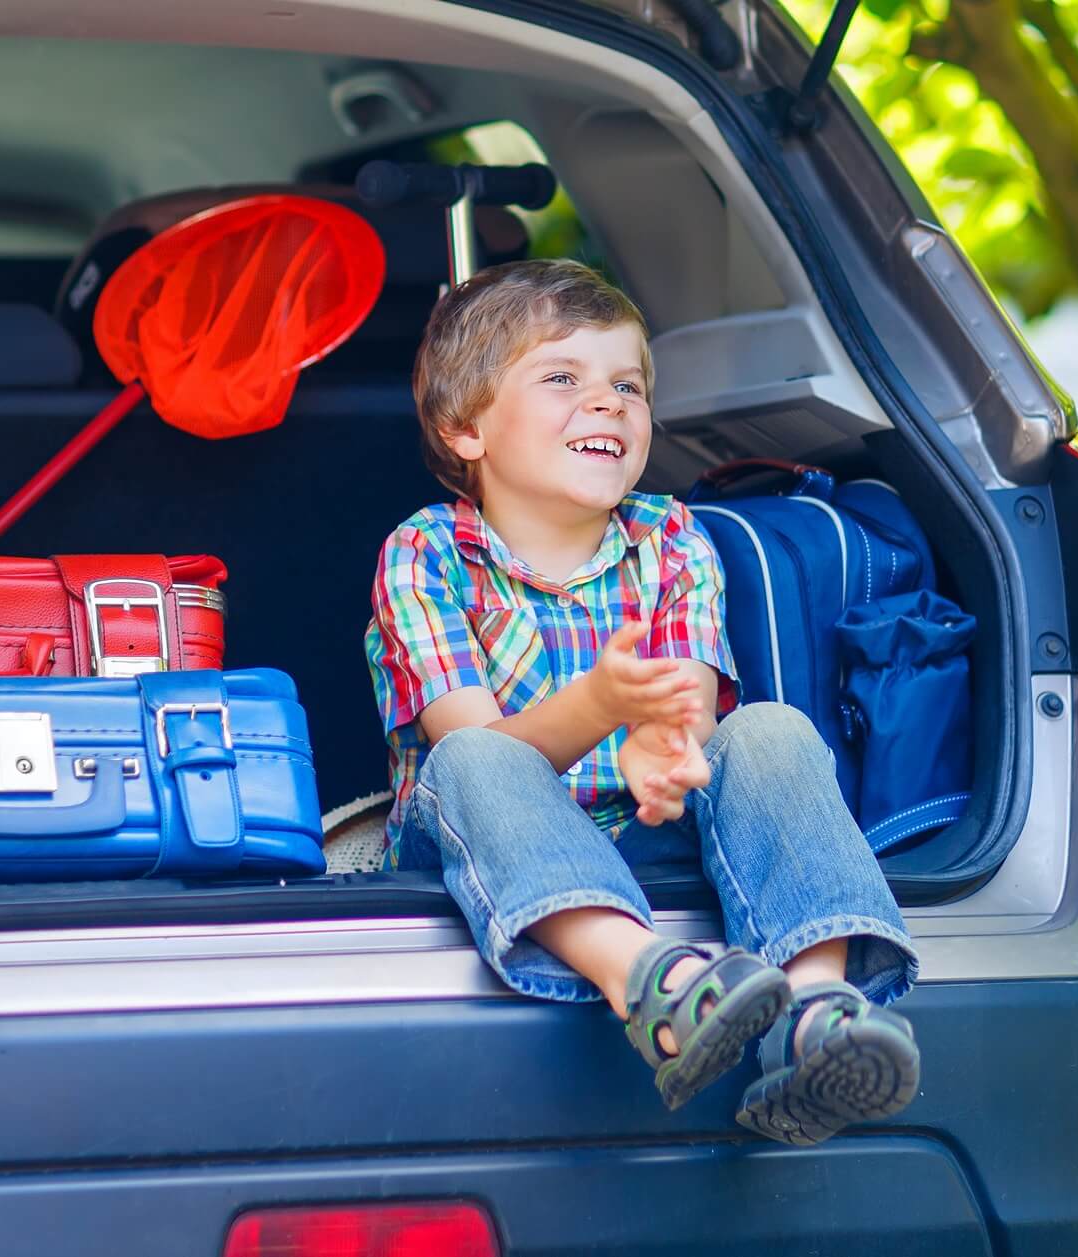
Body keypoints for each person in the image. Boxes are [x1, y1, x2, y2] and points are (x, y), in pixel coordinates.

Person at [364, 259, 920, 1145]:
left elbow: (686, 710)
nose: (608, 401)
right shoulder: (424, 554)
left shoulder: (671, 537)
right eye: (562, 378)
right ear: (464, 428)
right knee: (472, 760)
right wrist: (597, 708)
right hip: (490, 831)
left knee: (771, 727)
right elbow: (478, 744)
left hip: (642, 821)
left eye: (627, 384)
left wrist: (666, 748)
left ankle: (818, 1017)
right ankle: (656, 988)